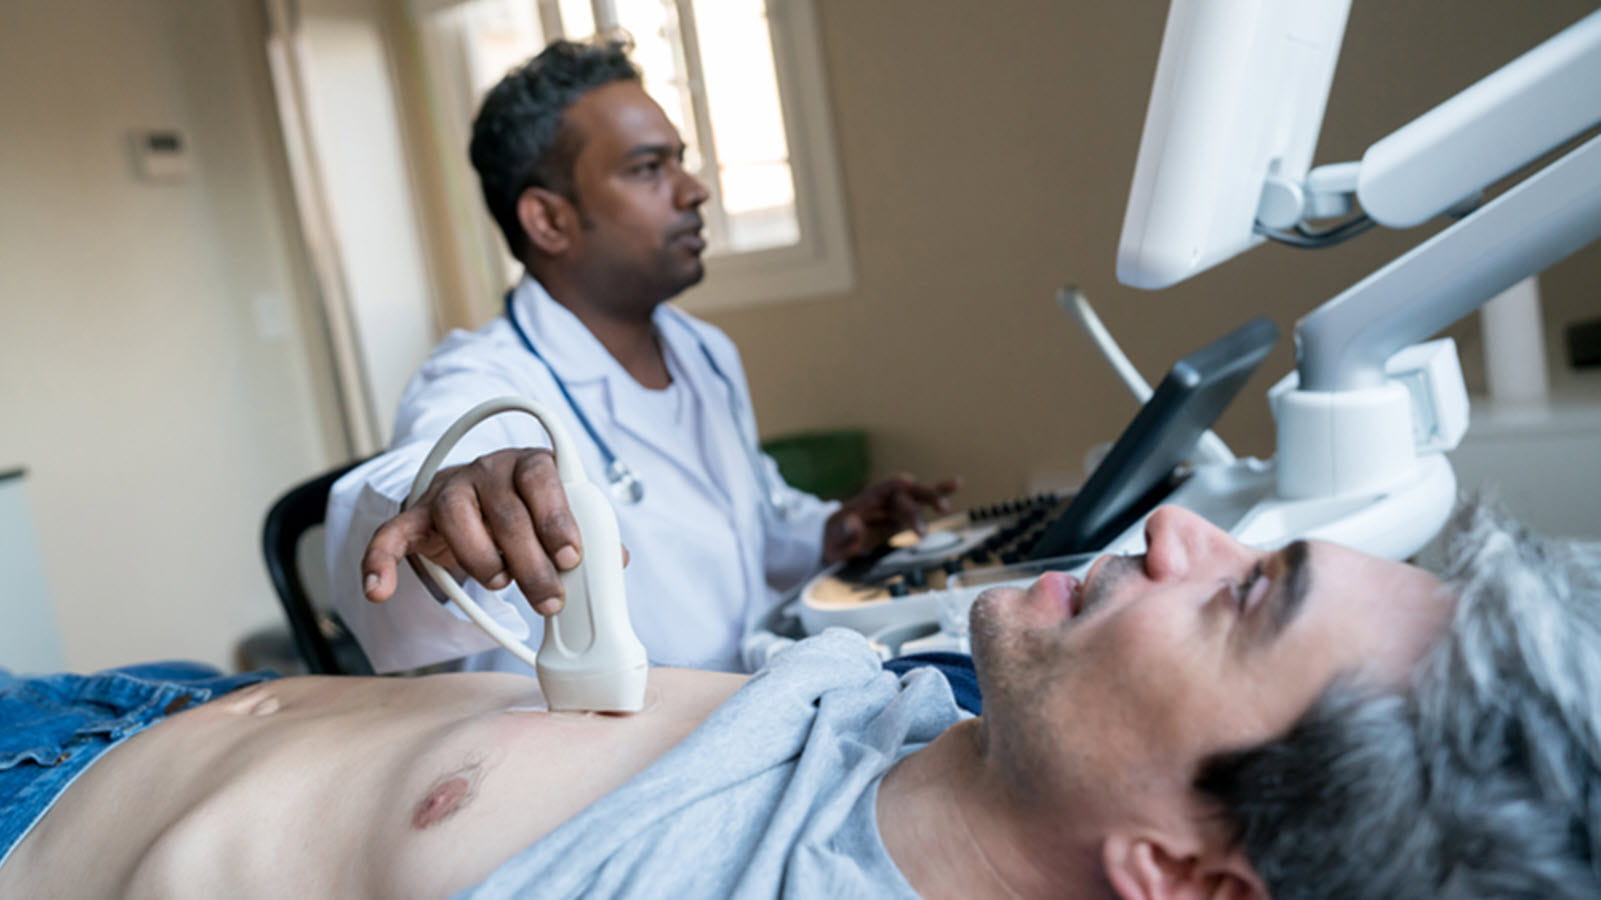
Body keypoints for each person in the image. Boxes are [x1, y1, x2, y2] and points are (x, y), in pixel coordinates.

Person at [5, 503, 1599, 897]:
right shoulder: (950, 718)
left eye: (1248, 597)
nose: (1184, 535)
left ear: (1182, 873)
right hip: (162, 704)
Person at [324, 38, 958, 676]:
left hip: (753, 698)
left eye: (680, 161)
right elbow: (424, 472)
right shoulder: (487, 380)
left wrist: (830, 532)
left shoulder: (703, 351)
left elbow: (750, 519)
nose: (694, 191)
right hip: (603, 753)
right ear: (548, 220)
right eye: (649, 168)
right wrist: (442, 495)